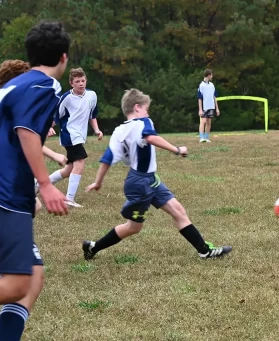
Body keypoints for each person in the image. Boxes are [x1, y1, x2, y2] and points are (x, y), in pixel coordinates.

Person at [82, 88, 232, 261]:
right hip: (141, 183)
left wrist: (98, 182)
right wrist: (177, 150)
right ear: (137, 108)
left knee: (179, 212)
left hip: (147, 180)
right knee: (133, 227)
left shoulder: (118, 131)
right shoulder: (144, 122)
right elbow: (150, 138)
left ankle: (204, 251)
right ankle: (94, 247)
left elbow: (107, 158)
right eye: (146, 108)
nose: (148, 112)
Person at [0, 21, 70, 341]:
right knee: (16, 284)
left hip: (10, 193)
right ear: (64, 58)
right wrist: (45, 183)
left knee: (34, 274)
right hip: (6, 193)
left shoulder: (12, 86)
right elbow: (26, 130)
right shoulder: (45, 85)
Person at [48, 67, 103, 207]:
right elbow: (56, 116)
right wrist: (49, 127)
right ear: (71, 83)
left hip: (80, 136)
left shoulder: (92, 95)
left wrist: (96, 130)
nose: (81, 83)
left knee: (69, 169)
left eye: (83, 80)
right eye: (77, 81)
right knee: (80, 162)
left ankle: (38, 185)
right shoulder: (66, 98)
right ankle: (69, 199)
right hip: (70, 135)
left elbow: (92, 115)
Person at [198, 69, 220, 143]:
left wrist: (217, 108)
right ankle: (201, 138)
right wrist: (200, 109)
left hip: (211, 107)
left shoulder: (212, 85)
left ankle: (207, 138)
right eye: (211, 75)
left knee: (208, 123)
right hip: (204, 107)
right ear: (208, 75)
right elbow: (199, 98)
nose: (212, 76)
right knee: (203, 122)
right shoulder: (201, 85)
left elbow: (214, 97)